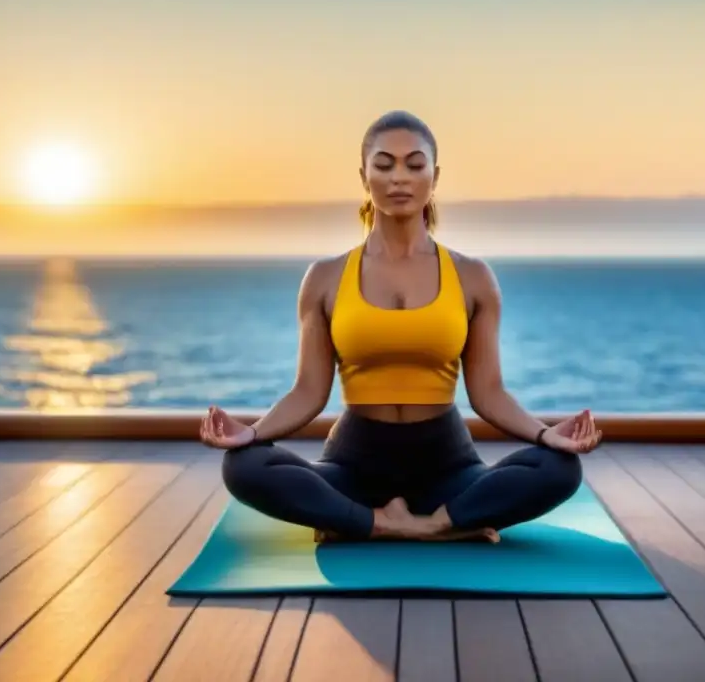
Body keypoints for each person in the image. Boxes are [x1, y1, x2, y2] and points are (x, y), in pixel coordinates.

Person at [199, 110, 602, 543]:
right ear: (363, 175)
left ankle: (411, 522)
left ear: (435, 175)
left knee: (560, 467)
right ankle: (406, 523)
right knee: (243, 465)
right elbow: (308, 393)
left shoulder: (472, 276)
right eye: (384, 163)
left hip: (447, 465)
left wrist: (546, 434)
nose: (399, 178)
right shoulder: (325, 277)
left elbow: (489, 393)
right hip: (354, 465)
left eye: (415, 164)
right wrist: (252, 432)